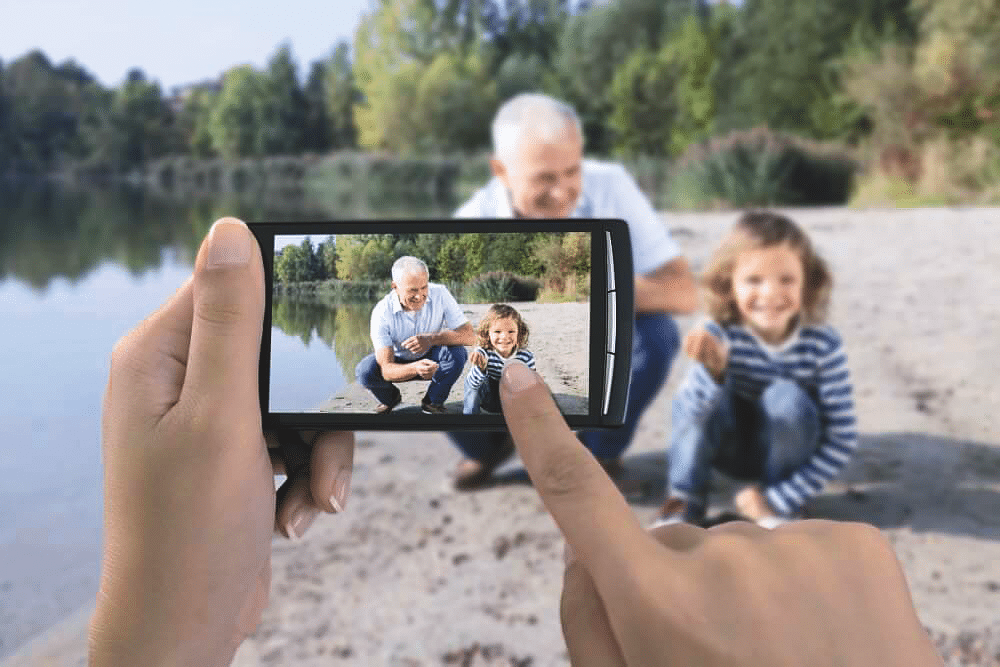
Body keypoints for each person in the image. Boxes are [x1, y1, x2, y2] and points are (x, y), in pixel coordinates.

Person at [90, 218, 944, 665]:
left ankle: (458, 428)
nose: (420, 286)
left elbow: (464, 337)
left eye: (424, 279)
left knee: (458, 382)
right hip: (395, 367)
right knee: (368, 372)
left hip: (448, 372)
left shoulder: (450, 298)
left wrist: (159, 653)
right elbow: (389, 351)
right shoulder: (389, 304)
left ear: (432, 278)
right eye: (412, 281)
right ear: (398, 284)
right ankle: (432, 425)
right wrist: (412, 363)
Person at [448, 92, 699, 488]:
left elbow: (684, 292)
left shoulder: (611, 186)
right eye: (545, 178)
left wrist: (594, 287)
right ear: (501, 171)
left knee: (657, 335)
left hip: (593, 331)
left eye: (572, 171)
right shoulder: (470, 220)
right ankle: (487, 448)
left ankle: (597, 451)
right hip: (502, 338)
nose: (565, 192)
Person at [659, 211, 858, 528]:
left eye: (787, 280)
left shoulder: (823, 343)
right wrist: (713, 373)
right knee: (689, 396)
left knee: (787, 397)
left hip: (785, 456)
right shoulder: (720, 333)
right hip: (728, 445)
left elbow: (842, 437)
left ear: (807, 282)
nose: (769, 293)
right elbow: (690, 414)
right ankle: (683, 504)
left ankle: (777, 512)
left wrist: (781, 496)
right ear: (729, 284)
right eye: (753, 280)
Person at [355, 255, 474, 414]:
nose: (420, 296)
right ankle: (391, 398)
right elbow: (386, 370)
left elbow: (469, 336)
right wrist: (415, 368)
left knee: (458, 353)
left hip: (432, 356)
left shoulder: (440, 293)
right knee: (365, 371)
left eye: (424, 287)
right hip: (397, 361)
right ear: (395, 286)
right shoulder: (381, 312)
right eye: (412, 290)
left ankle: (433, 401)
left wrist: (431, 339)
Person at [463, 303, 536, 415]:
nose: (504, 337)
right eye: (497, 332)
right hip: (487, 396)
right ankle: (471, 420)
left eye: (511, 331)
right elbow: (473, 384)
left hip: (507, 399)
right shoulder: (484, 352)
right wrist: (481, 368)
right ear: (488, 333)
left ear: (519, 333)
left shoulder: (525, 357)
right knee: (472, 384)